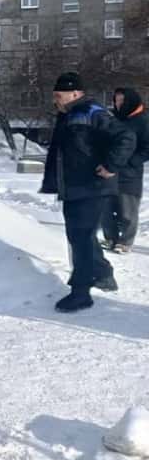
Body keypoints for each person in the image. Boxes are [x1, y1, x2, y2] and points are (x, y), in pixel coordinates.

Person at [40, 72, 135, 313]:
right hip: (74, 188)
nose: (56, 100)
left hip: (92, 187)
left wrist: (111, 166)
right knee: (82, 236)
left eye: (58, 95)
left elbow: (126, 136)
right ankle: (103, 273)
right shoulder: (68, 115)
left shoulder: (92, 112)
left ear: (75, 93)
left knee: (80, 238)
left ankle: (81, 293)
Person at [101, 88, 149, 253]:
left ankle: (125, 241)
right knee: (106, 208)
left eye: (122, 100)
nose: (118, 104)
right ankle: (110, 238)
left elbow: (147, 148)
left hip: (130, 174)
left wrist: (132, 161)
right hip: (110, 169)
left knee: (127, 210)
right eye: (116, 100)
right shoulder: (114, 119)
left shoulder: (143, 120)